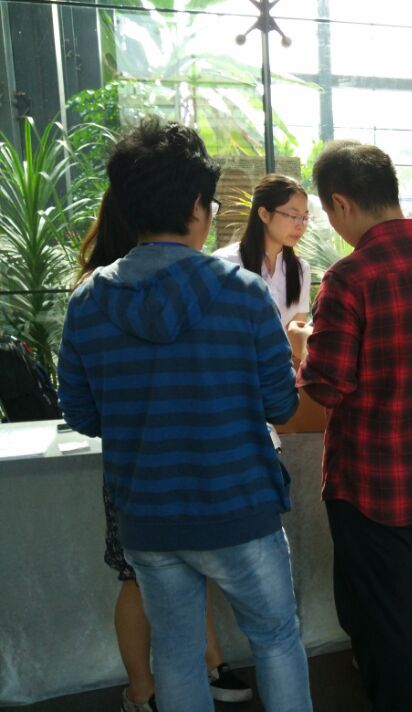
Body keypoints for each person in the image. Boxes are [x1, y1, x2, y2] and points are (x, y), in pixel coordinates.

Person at [58, 118, 312, 712]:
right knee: (276, 639)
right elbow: (281, 404)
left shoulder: (88, 301)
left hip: (148, 515)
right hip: (240, 508)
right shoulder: (244, 293)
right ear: (199, 205)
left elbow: (83, 415)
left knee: (175, 653)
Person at [287, 141, 412, 712]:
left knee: (380, 616)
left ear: (342, 203)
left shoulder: (350, 278)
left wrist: (303, 344)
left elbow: (326, 387)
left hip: (368, 483)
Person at [76, 190, 254, 711]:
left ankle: (200, 665)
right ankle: (146, 687)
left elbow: (85, 408)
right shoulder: (109, 288)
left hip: (148, 460)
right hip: (151, 462)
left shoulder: (107, 287)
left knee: (175, 573)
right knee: (142, 578)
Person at [213, 174, 311, 330]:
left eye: (305, 217)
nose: (301, 225)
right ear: (264, 214)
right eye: (293, 216)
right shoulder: (225, 263)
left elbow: (297, 333)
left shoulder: (301, 269)